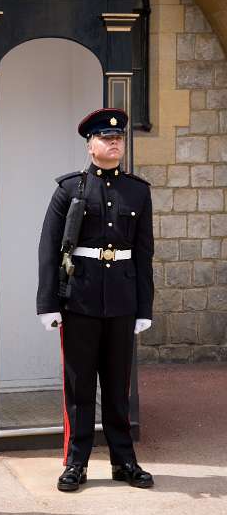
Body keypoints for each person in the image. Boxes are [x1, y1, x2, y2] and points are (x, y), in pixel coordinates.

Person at [37, 108, 155, 492]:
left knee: (118, 385)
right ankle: (77, 463)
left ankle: (124, 462)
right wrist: (48, 303)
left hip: (122, 297)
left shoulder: (138, 190)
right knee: (80, 385)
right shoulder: (69, 189)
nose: (114, 142)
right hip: (80, 298)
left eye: (118, 138)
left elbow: (143, 252)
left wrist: (144, 307)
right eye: (106, 138)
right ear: (90, 147)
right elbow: (49, 249)